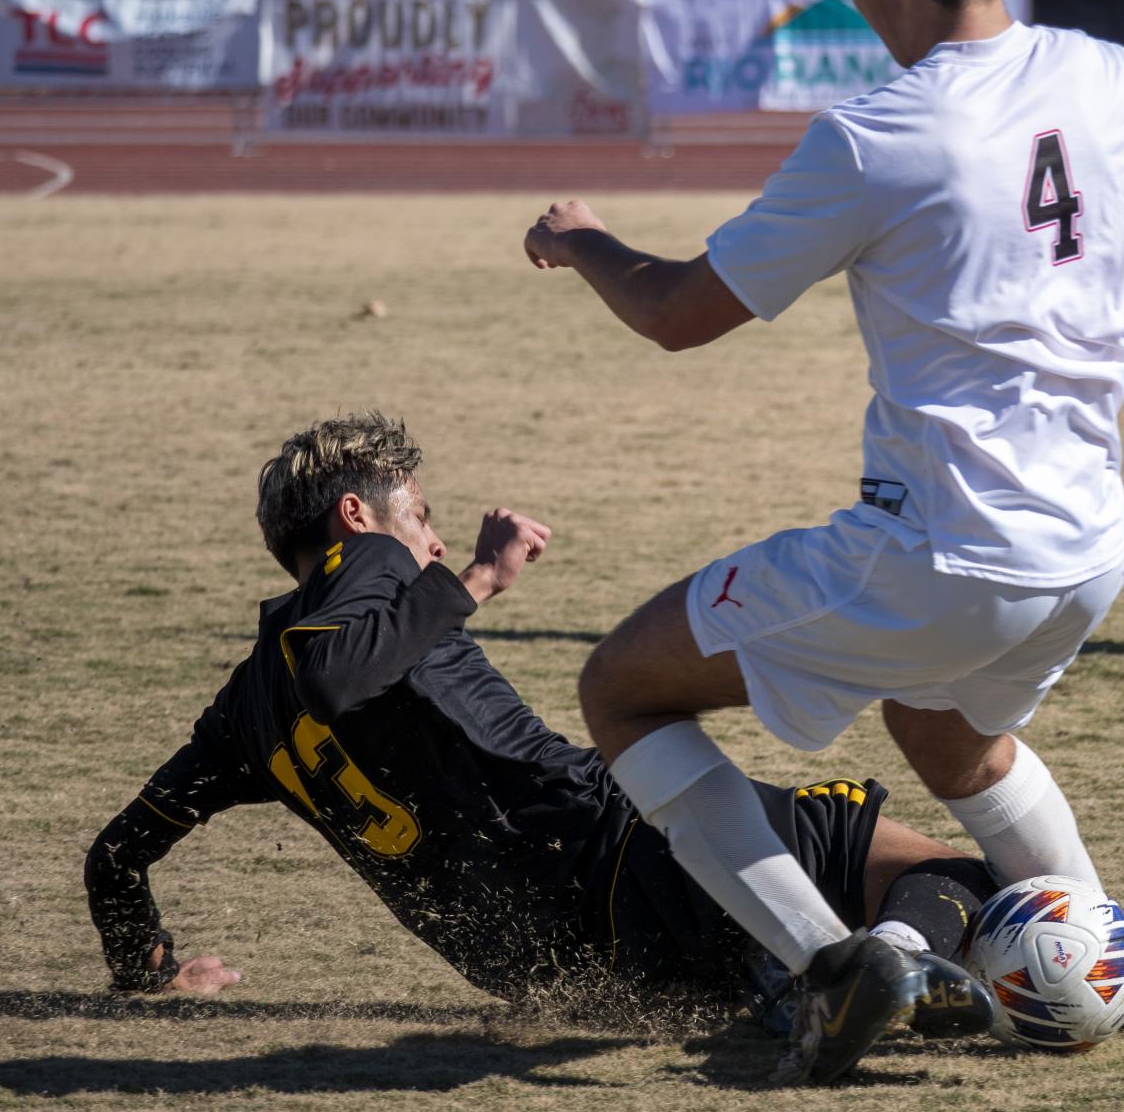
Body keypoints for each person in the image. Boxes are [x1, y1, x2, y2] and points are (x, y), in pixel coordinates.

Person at [522, 0, 1124, 1083]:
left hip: (937, 552)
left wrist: (583, 238)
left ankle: (827, 967)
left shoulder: (879, 133)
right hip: (1088, 554)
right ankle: (1106, 964)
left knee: (620, 687)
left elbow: (674, 314)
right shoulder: (1114, 78)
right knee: (946, 731)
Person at [84, 412, 1003, 1054]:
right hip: (616, 844)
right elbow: (333, 672)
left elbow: (114, 860)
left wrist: (151, 973)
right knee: (950, 873)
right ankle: (869, 969)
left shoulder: (244, 709)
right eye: (422, 517)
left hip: (549, 965)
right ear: (354, 517)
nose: (432, 543)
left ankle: (785, 981)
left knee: (754, 940)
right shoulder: (364, 564)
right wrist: (480, 578)